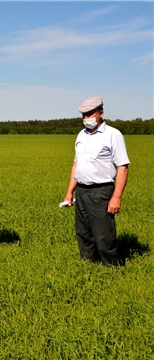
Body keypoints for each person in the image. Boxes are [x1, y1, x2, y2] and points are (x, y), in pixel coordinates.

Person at [63, 97, 129, 266]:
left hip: (101, 191)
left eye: (90, 114)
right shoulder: (81, 135)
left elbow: (122, 167)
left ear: (101, 113)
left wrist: (116, 197)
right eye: (84, 115)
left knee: (103, 235)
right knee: (84, 234)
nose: (87, 118)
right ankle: (89, 267)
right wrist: (70, 192)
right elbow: (77, 164)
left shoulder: (112, 135)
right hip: (82, 191)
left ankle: (114, 269)